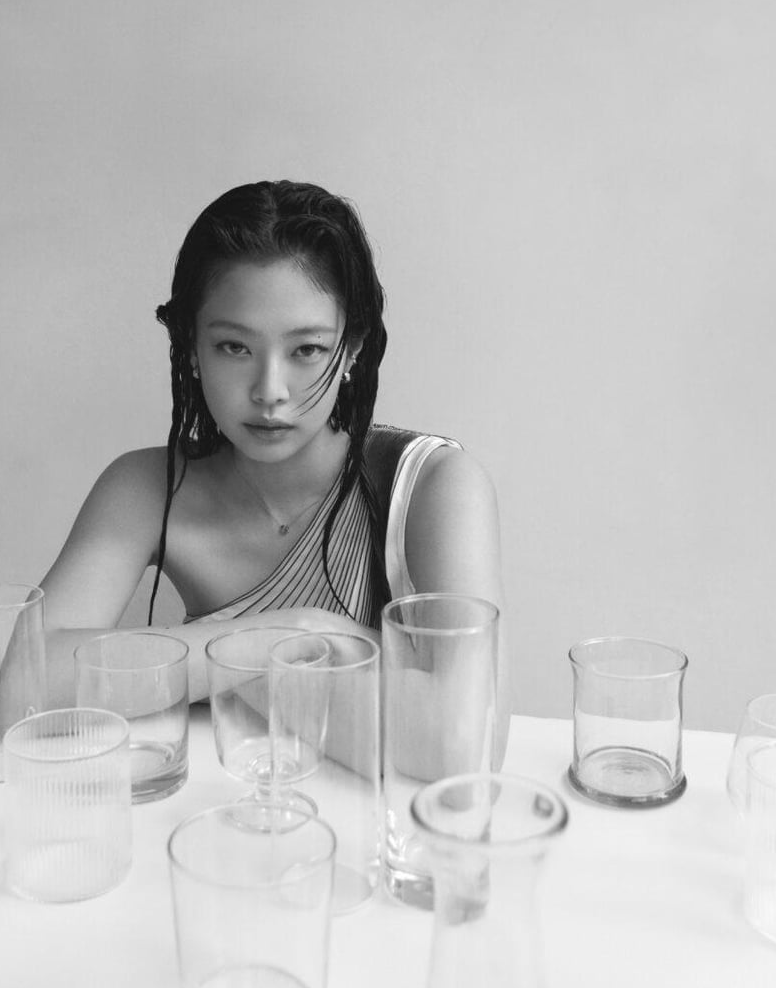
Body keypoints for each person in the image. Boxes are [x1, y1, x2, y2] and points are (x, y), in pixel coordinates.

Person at [40, 180, 508, 756]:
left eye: (307, 349)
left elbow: (467, 742)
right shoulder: (145, 489)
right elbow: (26, 688)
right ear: (191, 347)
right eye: (234, 347)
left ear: (352, 348)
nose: (270, 391)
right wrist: (293, 635)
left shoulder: (434, 486)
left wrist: (211, 666)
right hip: (219, 801)